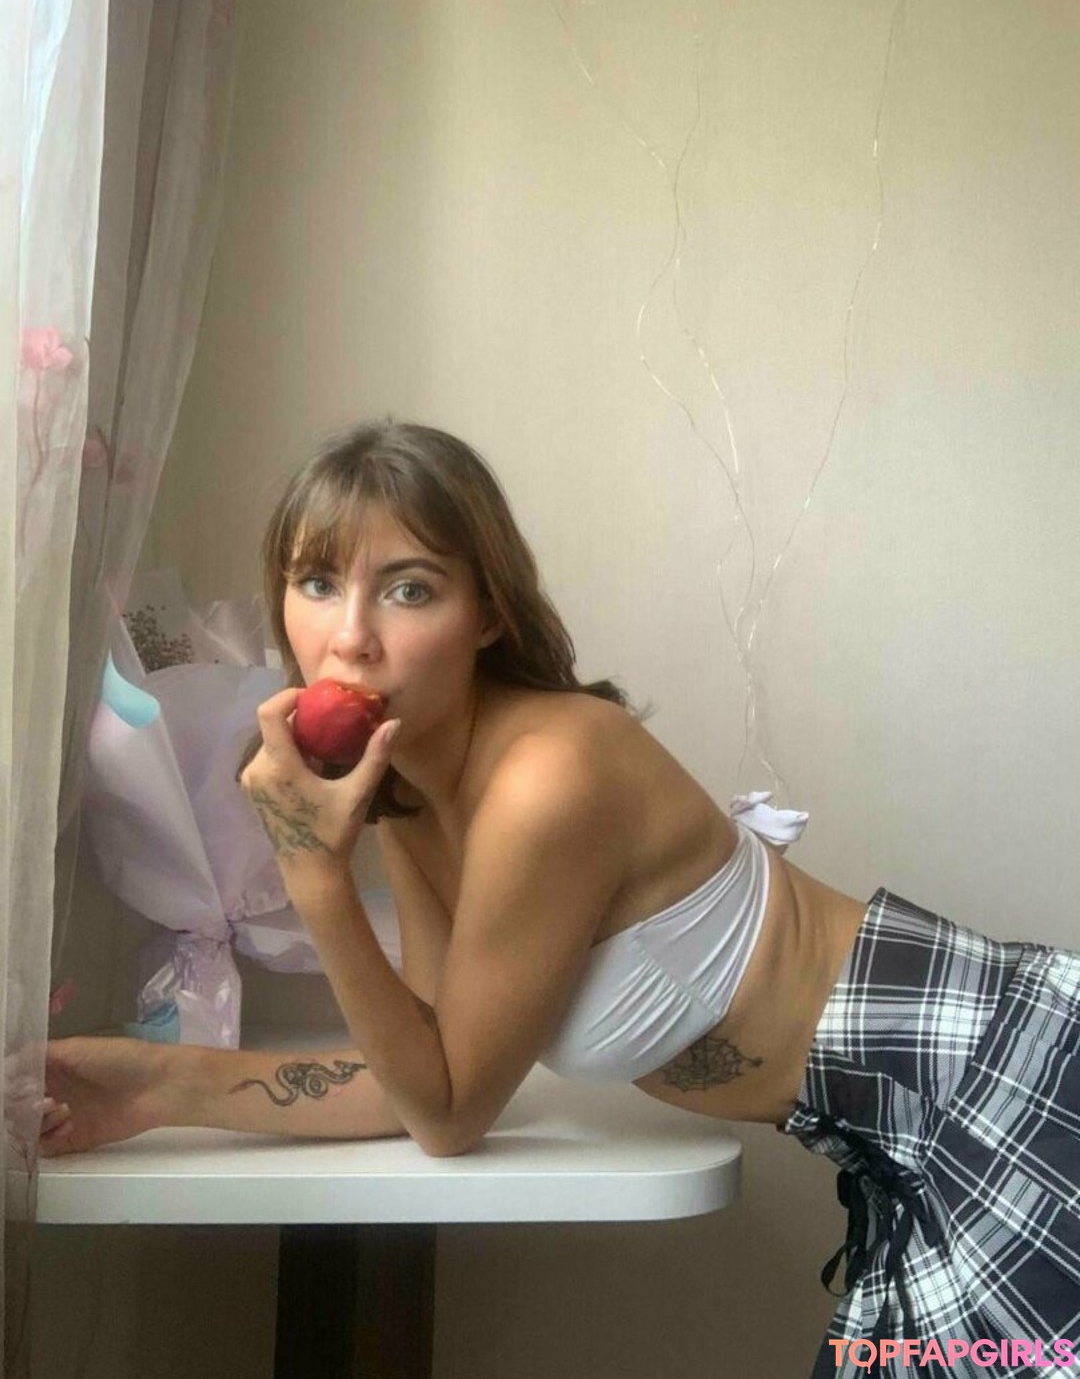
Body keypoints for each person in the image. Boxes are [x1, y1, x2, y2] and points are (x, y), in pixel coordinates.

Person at [42, 421, 1079, 1377]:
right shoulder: (415, 797)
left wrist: (315, 874)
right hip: (908, 1137)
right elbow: (425, 1074)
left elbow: (448, 1114)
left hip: (1002, 1084)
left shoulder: (548, 779)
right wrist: (156, 1087)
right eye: (317, 581)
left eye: (408, 590)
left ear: (487, 612)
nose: (350, 637)